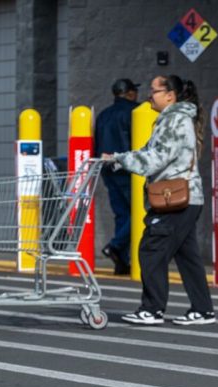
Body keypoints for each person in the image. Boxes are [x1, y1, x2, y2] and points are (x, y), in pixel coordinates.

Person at [103, 75, 216, 327]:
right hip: (185, 198)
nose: (149, 95)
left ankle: (152, 309)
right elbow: (148, 152)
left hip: (173, 199)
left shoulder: (174, 120)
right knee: (187, 256)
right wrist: (119, 157)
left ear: (170, 95)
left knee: (151, 250)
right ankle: (203, 310)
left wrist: (120, 160)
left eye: (154, 91)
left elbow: (156, 158)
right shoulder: (172, 119)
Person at [95, 79, 138, 275]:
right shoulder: (135, 112)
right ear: (129, 93)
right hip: (128, 170)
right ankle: (116, 246)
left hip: (107, 170)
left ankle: (121, 261)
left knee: (122, 214)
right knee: (139, 212)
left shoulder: (103, 115)